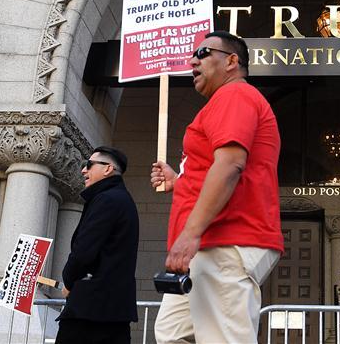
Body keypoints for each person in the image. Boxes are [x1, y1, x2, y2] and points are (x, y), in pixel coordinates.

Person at [151, 31, 283, 344]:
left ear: (232, 61)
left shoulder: (235, 95)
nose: (193, 60)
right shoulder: (224, 102)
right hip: (209, 244)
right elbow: (218, 166)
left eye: (203, 52)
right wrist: (178, 181)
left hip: (225, 238)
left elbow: (230, 165)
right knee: (172, 334)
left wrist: (191, 233)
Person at [56, 146, 139, 344]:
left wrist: (68, 280)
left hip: (90, 311)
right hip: (112, 311)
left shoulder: (106, 200)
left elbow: (83, 251)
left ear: (108, 169)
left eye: (89, 165)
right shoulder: (122, 200)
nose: (84, 170)